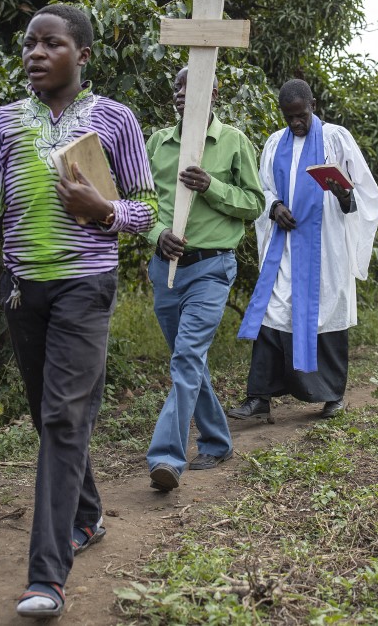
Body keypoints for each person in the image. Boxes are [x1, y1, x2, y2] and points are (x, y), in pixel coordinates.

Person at [0, 4, 157, 619]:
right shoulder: (5, 122)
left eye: (50, 43)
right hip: (22, 288)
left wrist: (101, 208)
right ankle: (87, 513)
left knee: (62, 419)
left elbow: (146, 210)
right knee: (47, 415)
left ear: (82, 54)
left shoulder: (116, 120)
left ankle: (46, 578)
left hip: (87, 286)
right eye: (29, 44)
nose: (34, 54)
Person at [231, 79, 378, 420]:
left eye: (301, 115)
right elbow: (263, 187)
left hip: (326, 248)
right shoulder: (273, 143)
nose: (296, 123)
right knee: (273, 311)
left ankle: (332, 396)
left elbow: (366, 192)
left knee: (325, 314)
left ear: (312, 105)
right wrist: (274, 207)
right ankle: (260, 397)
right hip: (284, 246)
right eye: (289, 117)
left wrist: (345, 196)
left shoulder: (336, 138)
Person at [144, 67, 264, 492]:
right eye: (176, 86)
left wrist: (212, 186)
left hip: (212, 268)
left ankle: (165, 458)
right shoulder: (158, 143)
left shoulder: (233, 141)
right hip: (167, 271)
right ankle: (216, 439)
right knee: (189, 360)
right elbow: (143, 204)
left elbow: (254, 204)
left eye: (191, 87)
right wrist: (157, 235)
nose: (181, 94)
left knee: (185, 358)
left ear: (213, 94)